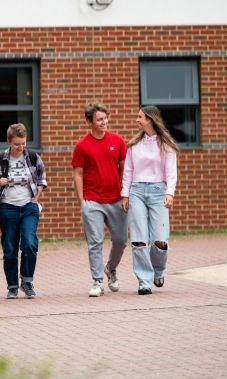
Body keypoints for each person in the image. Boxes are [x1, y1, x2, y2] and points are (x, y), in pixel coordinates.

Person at [71, 102, 128, 297]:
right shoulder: (82, 146)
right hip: (92, 200)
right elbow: (78, 174)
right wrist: (82, 201)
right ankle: (97, 281)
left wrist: (125, 194)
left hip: (116, 200)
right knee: (95, 242)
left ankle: (110, 269)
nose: (104, 122)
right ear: (90, 122)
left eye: (105, 118)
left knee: (121, 240)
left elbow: (124, 170)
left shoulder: (118, 141)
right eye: (99, 119)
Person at [121, 105, 179, 295]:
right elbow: (128, 171)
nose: (137, 120)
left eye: (140, 117)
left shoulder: (166, 145)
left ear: (150, 119)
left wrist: (170, 193)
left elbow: (171, 173)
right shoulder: (134, 145)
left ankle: (158, 270)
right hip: (136, 191)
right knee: (139, 239)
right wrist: (125, 194)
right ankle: (144, 280)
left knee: (159, 240)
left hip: (158, 192)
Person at [0, 123, 47, 299]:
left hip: (28, 206)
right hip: (7, 208)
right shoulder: (0, 159)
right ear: (9, 142)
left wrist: (36, 198)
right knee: (10, 247)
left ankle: (27, 281)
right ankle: (12, 286)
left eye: (23, 143)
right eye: (17, 144)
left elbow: (42, 178)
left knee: (29, 243)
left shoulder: (33, 157)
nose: (21, 147)